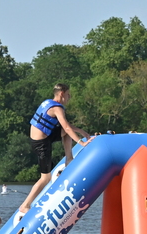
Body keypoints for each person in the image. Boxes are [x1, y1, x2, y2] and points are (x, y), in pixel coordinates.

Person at [17, 83, 92, 219]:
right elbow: (68, 128)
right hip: (41, 144)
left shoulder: (48, 103)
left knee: (64, 131)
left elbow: (66, 128)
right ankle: (25, 205)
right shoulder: (57, 108)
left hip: (44, 137)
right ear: (62, 94)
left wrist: (81, 131)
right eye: (68, 95)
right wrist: (82, 143)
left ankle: (69, 159)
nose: (69, 98)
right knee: (46, 177)